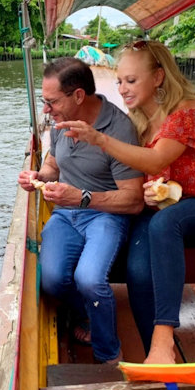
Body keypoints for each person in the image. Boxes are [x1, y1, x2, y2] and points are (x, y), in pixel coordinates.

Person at [56, 40, 195, 364]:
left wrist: (100, 139)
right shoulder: (136, 121)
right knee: (137, 271)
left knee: (166, 222)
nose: (122, 89)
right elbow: (146, 174)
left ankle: (164, 341)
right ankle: (155, 351)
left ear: (158, 78)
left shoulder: (188, 109)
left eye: (131, 80)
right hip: (161, 211)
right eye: (120, 80)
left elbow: (154, 161)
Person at [18, 57, 144, 364]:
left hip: (104, 214)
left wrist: (82, 198)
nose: (46, 110)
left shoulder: (119, 129)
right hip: (66, 213)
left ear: (77, 96)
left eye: (51, 102)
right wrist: (40, 177)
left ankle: (109, 355)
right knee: (50, 279)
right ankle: (87, 311)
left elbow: (133, 200)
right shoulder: (61, 121)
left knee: (89, 279)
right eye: (44, 102)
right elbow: (53, 162)